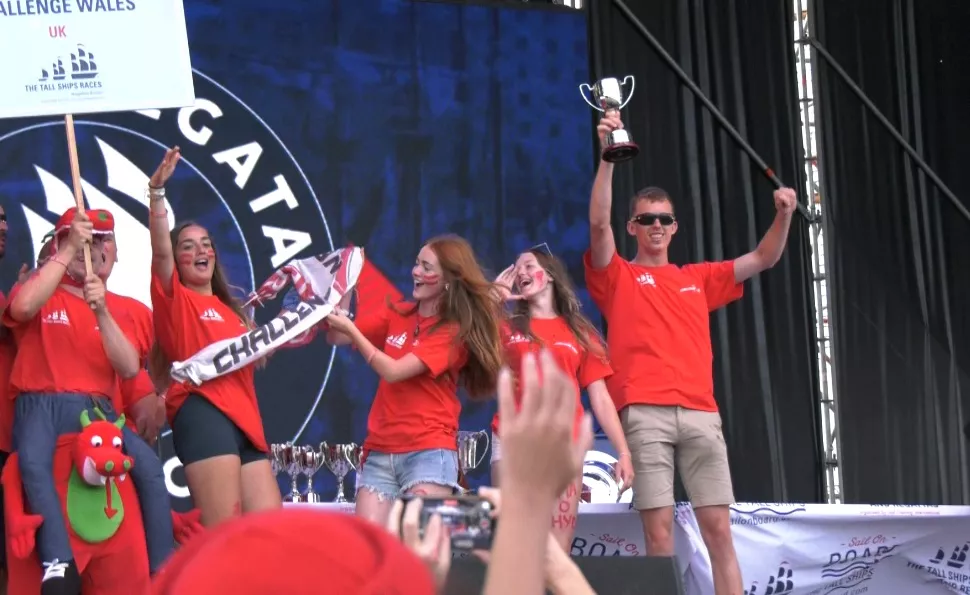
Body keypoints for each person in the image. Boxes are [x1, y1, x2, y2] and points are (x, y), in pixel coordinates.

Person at [584, 113, 796, 595]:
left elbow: (763, 258)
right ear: (633, 227)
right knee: (658, 538)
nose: (656, 226)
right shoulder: (616, 274)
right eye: (646, 219)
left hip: (701, 412)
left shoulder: (696, 278)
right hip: (645, 413)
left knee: (720, 533)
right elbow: (598, 223)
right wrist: (608, 159)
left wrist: (783, 214)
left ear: (674, 227)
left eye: (664, 219)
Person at [3, 208, 175, 594]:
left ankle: (165, 564)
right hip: (41, 406)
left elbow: (130, 368)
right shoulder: (39, 288)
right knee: (31, 462)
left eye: (104, 240)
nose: (94, 248)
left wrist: (100, 309)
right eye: (85, 238)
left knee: (149, 467)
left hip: (99, 416)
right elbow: (20, 308)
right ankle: (56, 560)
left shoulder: (128, 309)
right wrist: (65, 254)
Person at [324, 235, 504, 525]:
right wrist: (346, 282)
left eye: (427, 267)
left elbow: (394, 371)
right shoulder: (398, 313)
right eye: (416, 264)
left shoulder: (452, 332)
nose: (416, 272)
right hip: (380, 453)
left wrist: (352, 329)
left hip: (429, 453)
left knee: (420, 554)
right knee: (371, 552)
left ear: (448, 280)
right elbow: (336, 335)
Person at [146, 147, 281, 528]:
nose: (200, 250)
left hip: (247, 424)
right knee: (226, 536)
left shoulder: (233, 311)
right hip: (203, 414)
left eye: (206, 244)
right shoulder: (176, 298)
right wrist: (156, 192)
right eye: (187, 246)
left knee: (270, 537)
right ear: (177, 258)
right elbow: (159, 253)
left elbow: (255, 357)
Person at [490, 248, 634, 549]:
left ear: (551, 276)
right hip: (513, 439)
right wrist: (492, 304)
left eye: (529, 265)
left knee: (559, 545)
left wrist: (623, 451)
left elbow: (601, 399)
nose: (521, 273)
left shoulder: (580, 332)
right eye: (516, 270)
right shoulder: (506, 327)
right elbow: (469, 345)